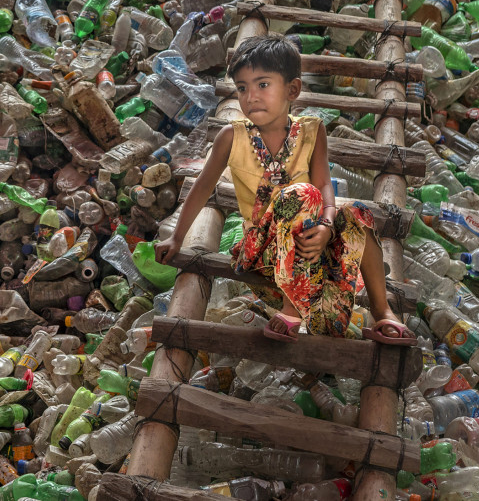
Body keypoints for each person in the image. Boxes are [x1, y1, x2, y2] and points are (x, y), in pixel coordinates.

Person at [154, 32, 415, 344]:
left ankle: (383, 311)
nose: (250, 96)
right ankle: (292, 308)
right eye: (242, 88)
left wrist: (327, 226)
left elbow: (323, 185)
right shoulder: (230, 137)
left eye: (263, 84)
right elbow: (201, 188)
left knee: (356, 215)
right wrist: (177, 236)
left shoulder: (312, 131)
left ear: (293, 89)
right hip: (264, 252)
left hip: (311, 252)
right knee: (299, 194)